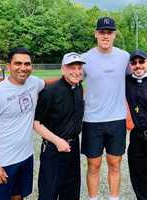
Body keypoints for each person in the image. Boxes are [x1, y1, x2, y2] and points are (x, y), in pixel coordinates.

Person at [0, 47, 45, 200]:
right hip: (3, 161)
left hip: (26, 156)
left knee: (19, 196)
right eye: (18, 63)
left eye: (27, 64)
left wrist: (69, 77)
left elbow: (47, 83)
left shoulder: (33, 83)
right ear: (8, 66)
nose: (23, 68)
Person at [81, 17, 130, 200]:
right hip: (92, 120)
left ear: (114, 35)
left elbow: (137, 76)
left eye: (109, 32)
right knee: (93, 165)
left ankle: (114, 198)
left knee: (115, 164)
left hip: (117, 119)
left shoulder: (124, 57)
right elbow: (72, 80)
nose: (105, 35)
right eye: (102, 32)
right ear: (96, 34)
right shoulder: (85, 58)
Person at [34, 52, 85, 200]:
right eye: (72, 67)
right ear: (63, 69)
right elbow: (36, 123)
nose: (76, 71)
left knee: (71, 191)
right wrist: (57, 141)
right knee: (49, 192)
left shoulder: (79, 88)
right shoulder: (50, 91)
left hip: (73, 147)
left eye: (79, 67)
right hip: (53, 149)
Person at [126, 49, 147, 200]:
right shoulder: (125, 82)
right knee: (137, 171)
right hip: (136, 135)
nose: (138, 65)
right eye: (134, 63)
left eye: (141, 62)